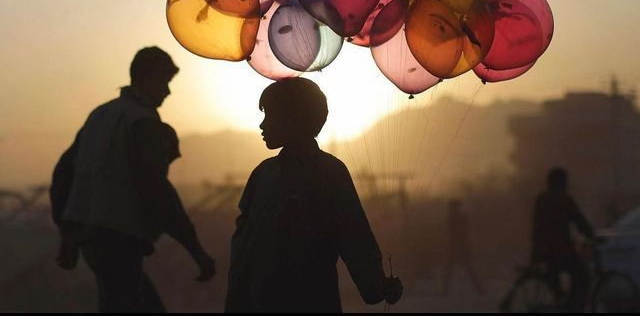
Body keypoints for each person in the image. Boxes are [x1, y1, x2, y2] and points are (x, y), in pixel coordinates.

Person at [50, 46, 216, 313]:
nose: (167, 91)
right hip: (118, 236)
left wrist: (67, 233)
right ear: (148, 77)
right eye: (165, 81)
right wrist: (196, 251)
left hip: (92, 237)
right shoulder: (143, 121)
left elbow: (63, 174)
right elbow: (157, 189)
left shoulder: (101, 114)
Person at [225, 78, 403, 313]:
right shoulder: (263, 175)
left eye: (270, 116)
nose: (262, 125)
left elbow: (354, 236)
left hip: (310, 299)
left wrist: (378, 286)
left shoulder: (328, 173)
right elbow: (243, 246)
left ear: (293, 120)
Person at [531, 167, 595, 312]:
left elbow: (535, 229)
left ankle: (562, 303)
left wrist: (534, 255)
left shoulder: (541, 199)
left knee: (556, 287)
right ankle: (573, 307)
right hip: (562, 251)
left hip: (543, 253)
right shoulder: (564, 199)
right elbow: (579, 222)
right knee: (583, 277)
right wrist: (591, 235)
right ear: (563, 183)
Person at [441, 199, 484, 295]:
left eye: (452, 208)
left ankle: (444, 291)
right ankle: (480, 289)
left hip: (458, 247)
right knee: (462, 269)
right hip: (458, 247)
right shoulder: (460, 218)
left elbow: (457, 234)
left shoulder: (455, 219)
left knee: (460, 269)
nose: (451, 210)